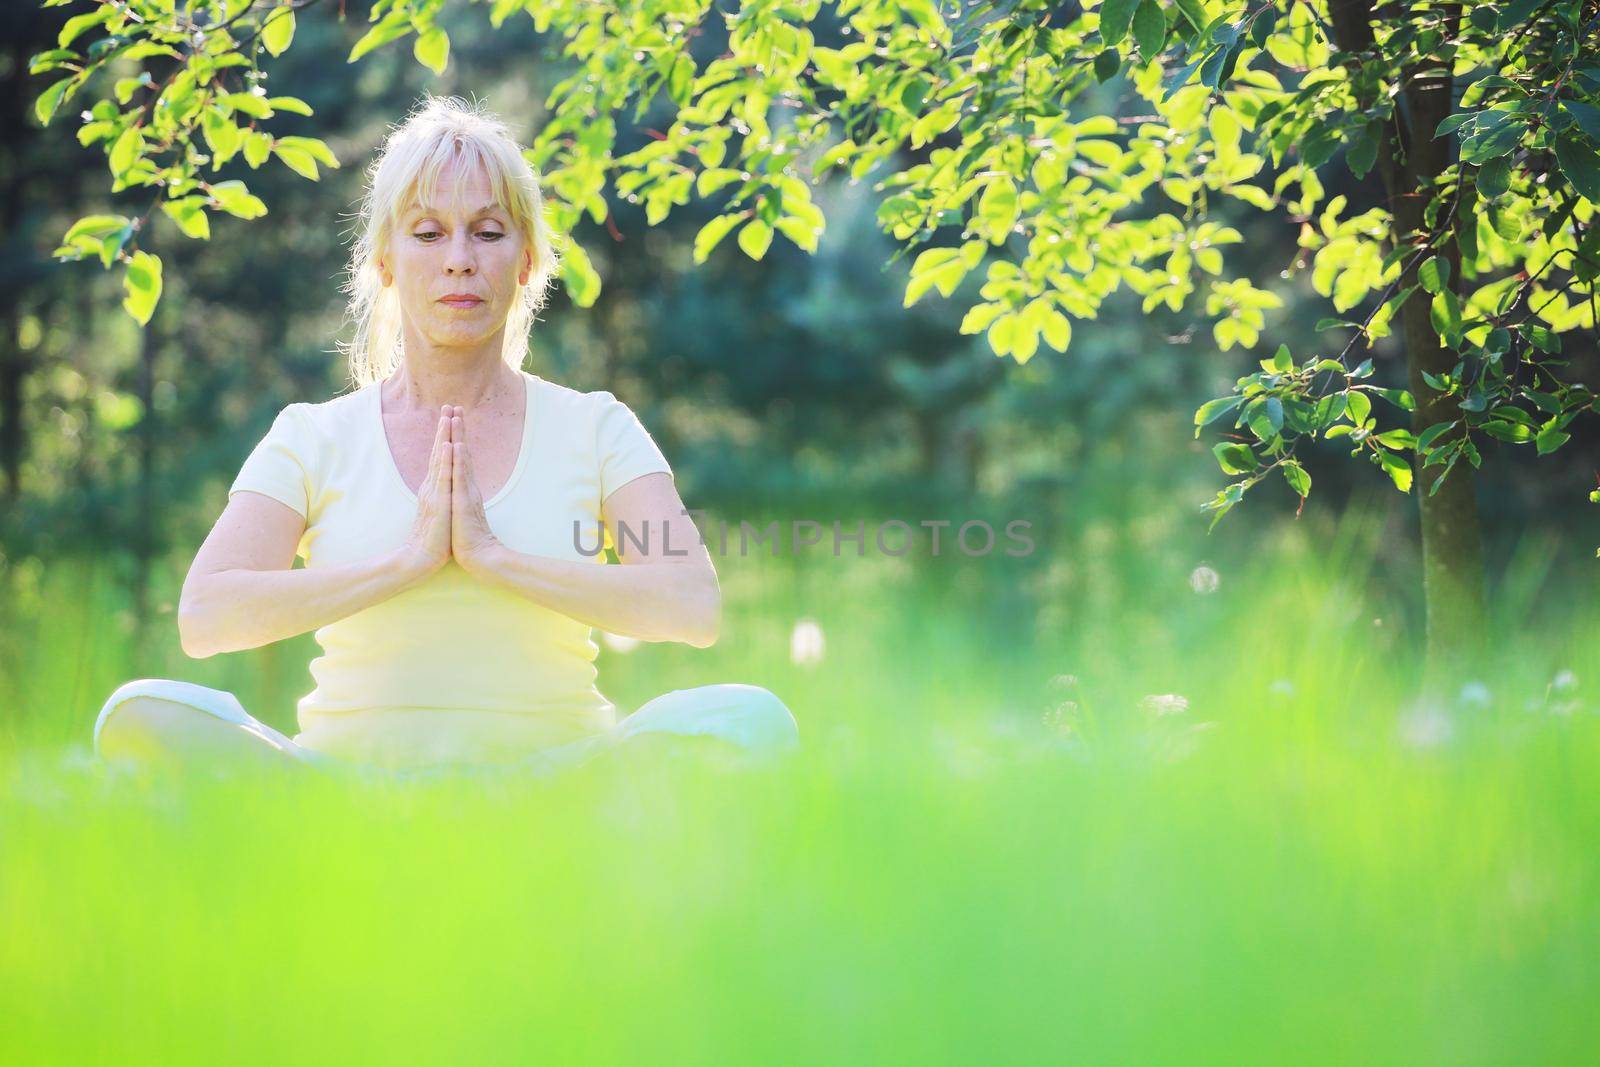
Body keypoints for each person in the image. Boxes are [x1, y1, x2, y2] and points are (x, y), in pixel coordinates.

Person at [92, 95, 798, 776]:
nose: (460, 258)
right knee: (138, 713)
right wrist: (406, 563)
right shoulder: (312, 436)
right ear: (387, 262)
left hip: (550, 788)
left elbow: (691, 604)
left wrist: (493, 557)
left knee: (752, 719)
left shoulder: (597, 427)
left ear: (525, 261)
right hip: (348, 792)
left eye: (488, 232)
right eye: (429, 233)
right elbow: (205, 615)